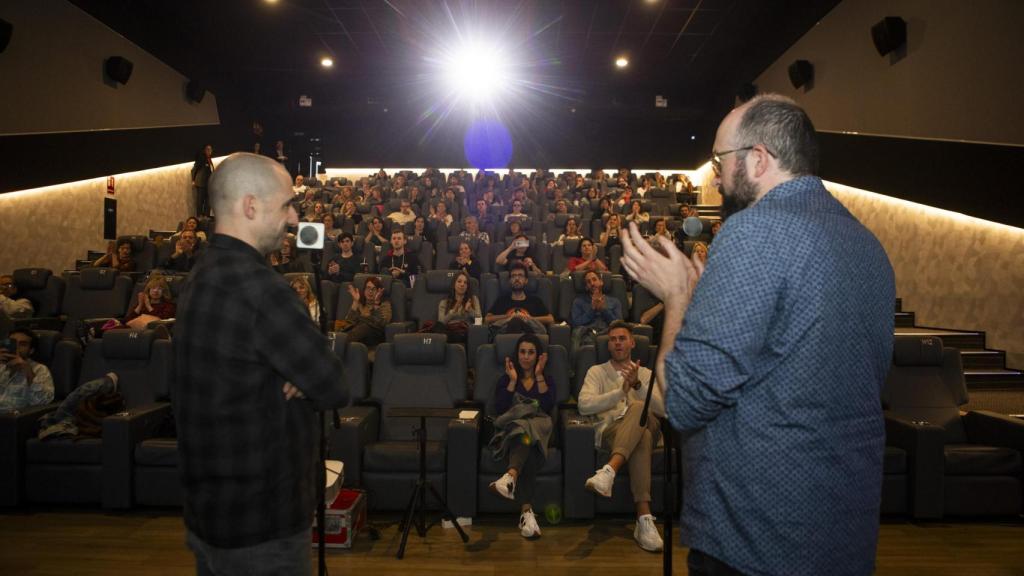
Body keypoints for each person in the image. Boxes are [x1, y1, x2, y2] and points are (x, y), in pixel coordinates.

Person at [619, 94, 895, 576]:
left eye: (719, 161)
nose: (718, 176)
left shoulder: (752, 232)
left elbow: (685, 402)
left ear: (758, 159)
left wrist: (679, 296)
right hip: (844, 529)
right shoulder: (868, 245)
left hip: (758, 536)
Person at [174, 152, 348, 575]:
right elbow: (333, 385)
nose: (293, 219)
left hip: (210, 515)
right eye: (287, 204)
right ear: (251, 206)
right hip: (262, 527)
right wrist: (298, 376)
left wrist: (294, 373)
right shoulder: (261, 289)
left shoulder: (202, 273)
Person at [578, 321, 664, 552]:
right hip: (612, 431)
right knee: (641, 438)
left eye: (622, 338)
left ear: (632, 342)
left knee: (638, 409)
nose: (617, 342)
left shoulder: (645, 374)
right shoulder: (596, 372)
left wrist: (637, 385)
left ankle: (609, 470)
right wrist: (619, 392)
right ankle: (644, 519)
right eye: (613, 339)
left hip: (651, 424)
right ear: (608, 345)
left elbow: (663, 409)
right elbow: (584, 405)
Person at [488, 333, 555, 540]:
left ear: (538, 356)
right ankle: (526, 513)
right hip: (515, 431)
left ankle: (510, 477)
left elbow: (546, 406)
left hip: (538, 427)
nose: (526, 356)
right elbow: (501, 408)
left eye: (531, 352)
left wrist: (540, 374)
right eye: (522, 352)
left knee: (526, 431)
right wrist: (513, 381)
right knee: (525, 435)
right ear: (517, 355)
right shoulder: (506, 379)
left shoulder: (546, 378)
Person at [484, 263, 554, 335]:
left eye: (520, 275)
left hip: (530, 337)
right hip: (506, 336)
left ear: (526, 280)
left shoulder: (535, 300)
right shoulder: (502, 300)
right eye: (513, 276)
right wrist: (509, 317)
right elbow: (487, 319)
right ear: (510, 280)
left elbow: (550, 319)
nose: (517, 278)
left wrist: (528, 318)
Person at [0, 328, 55, 412]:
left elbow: (43, 402)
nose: (17, 348)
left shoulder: (40, 369)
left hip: (13, 420)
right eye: (13, 343)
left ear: (31, 351)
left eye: (22, 344)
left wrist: (28, 372)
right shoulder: (1, 365)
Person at [569, 270, 622, 347]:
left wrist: (604, 310)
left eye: (594, 279)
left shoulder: (614, 301)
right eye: (588, 282)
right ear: (586, 287)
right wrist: (592, 309)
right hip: (587, 334)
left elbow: (619, 324)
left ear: (601, 282)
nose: (592, 284)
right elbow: (575, 323)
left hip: (608, 333)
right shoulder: (578, 302)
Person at [341, 276, 391, 349]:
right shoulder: (361, 303)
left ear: (378, 291)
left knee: (364, 327)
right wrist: (355, 301)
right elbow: (348, 322)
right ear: (364, 290)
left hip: (374, 336)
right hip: (356, 334)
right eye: (368, 288)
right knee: (335, 324)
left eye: (374, 289)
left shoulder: (385, 304)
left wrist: (376, 303)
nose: (370, 291)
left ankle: (337, 343)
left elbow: (381, 323)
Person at [191, 144, 215, 217]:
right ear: (204, 150)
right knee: (200, 202)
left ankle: (206, 217)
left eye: (210, 149)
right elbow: (194, 169)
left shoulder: (210, 160)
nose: (209, 151)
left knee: (208, 202)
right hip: (201, 183)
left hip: (209, 185)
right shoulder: (201, 158)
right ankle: (199, 218)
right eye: (207, 149)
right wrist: (193, 180)